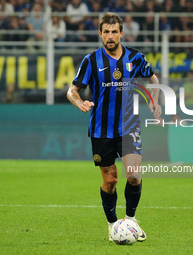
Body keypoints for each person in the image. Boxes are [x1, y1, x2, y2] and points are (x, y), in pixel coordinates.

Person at [66, 12, 161, 242]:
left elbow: (154, 79)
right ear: (100, 34)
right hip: (101, 130)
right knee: (110, 181)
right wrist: (80, 103)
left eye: (113, 32)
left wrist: (153, 99)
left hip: (129, 127)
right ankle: (112, 226)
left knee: (134, 175)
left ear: (121, 33)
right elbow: (72, 90)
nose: (110, 36)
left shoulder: (135, 57)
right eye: (105, 32)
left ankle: (130, 221)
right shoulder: (91, 61)